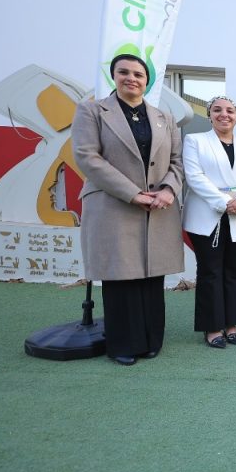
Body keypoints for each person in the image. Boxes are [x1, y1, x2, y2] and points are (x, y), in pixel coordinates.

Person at [70, 53, 183, 366]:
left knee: (151, 275)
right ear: (114, 76)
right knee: (120, 275)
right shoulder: (92, 111)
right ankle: (123, 344)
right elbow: (88, 157)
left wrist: (169, 190)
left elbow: (176, 162)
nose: (131, 78)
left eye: (138, 74)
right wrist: (133, 194)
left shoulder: (164, 118)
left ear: (147, 81)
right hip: (113, 203)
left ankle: (151, 341)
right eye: (124, 72)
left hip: (157, 206)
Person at [182, 96, 236, 348]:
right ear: (209, 115)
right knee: (211, 271)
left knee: (235, 271)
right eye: (217, 110)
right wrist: (225, 202)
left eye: (230, 111)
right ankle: (212, 326)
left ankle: (232, 323)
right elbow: (194, 176)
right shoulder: (195, 141)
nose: (224, 114)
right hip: (207, 214)